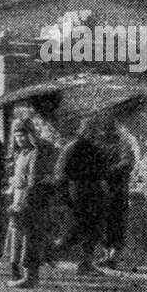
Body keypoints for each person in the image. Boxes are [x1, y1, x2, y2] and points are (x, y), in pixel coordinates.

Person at [3, 116, 56, 289]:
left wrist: (23, 202)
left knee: (30, 237)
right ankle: (16, 270)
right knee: (17, 234)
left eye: (24, 135)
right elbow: (17, 178)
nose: (20, 139)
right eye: (17, 136)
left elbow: (32, 180)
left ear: (31, 135)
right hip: (19, 197)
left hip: (31, 199)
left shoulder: (36, 153)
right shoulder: (21, 153)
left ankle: (30, 276)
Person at [55, 117, 108, 276]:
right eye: (91, 130)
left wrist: (102, 187)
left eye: (96, 131)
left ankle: (86, 264)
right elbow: (61, 173)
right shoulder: (73, 147)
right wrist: (65, 196)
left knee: (93, 230)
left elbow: (100, 172)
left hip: (94, 193)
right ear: (84, 130)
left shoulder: (95, 149)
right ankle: (45, 252)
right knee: (74, 231)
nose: (95, 134)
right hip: (78, 191)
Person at [96, 120, 136, 268]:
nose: (104, 135)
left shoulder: (122, 147)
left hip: (117, 191)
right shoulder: (99, 148)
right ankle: (106, 256)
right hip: (102, 191)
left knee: (117, 223)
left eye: (108, 132)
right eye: (103, 133)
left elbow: (127, 163)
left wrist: (107, 172)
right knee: (104, 224)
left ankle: (113, 257)